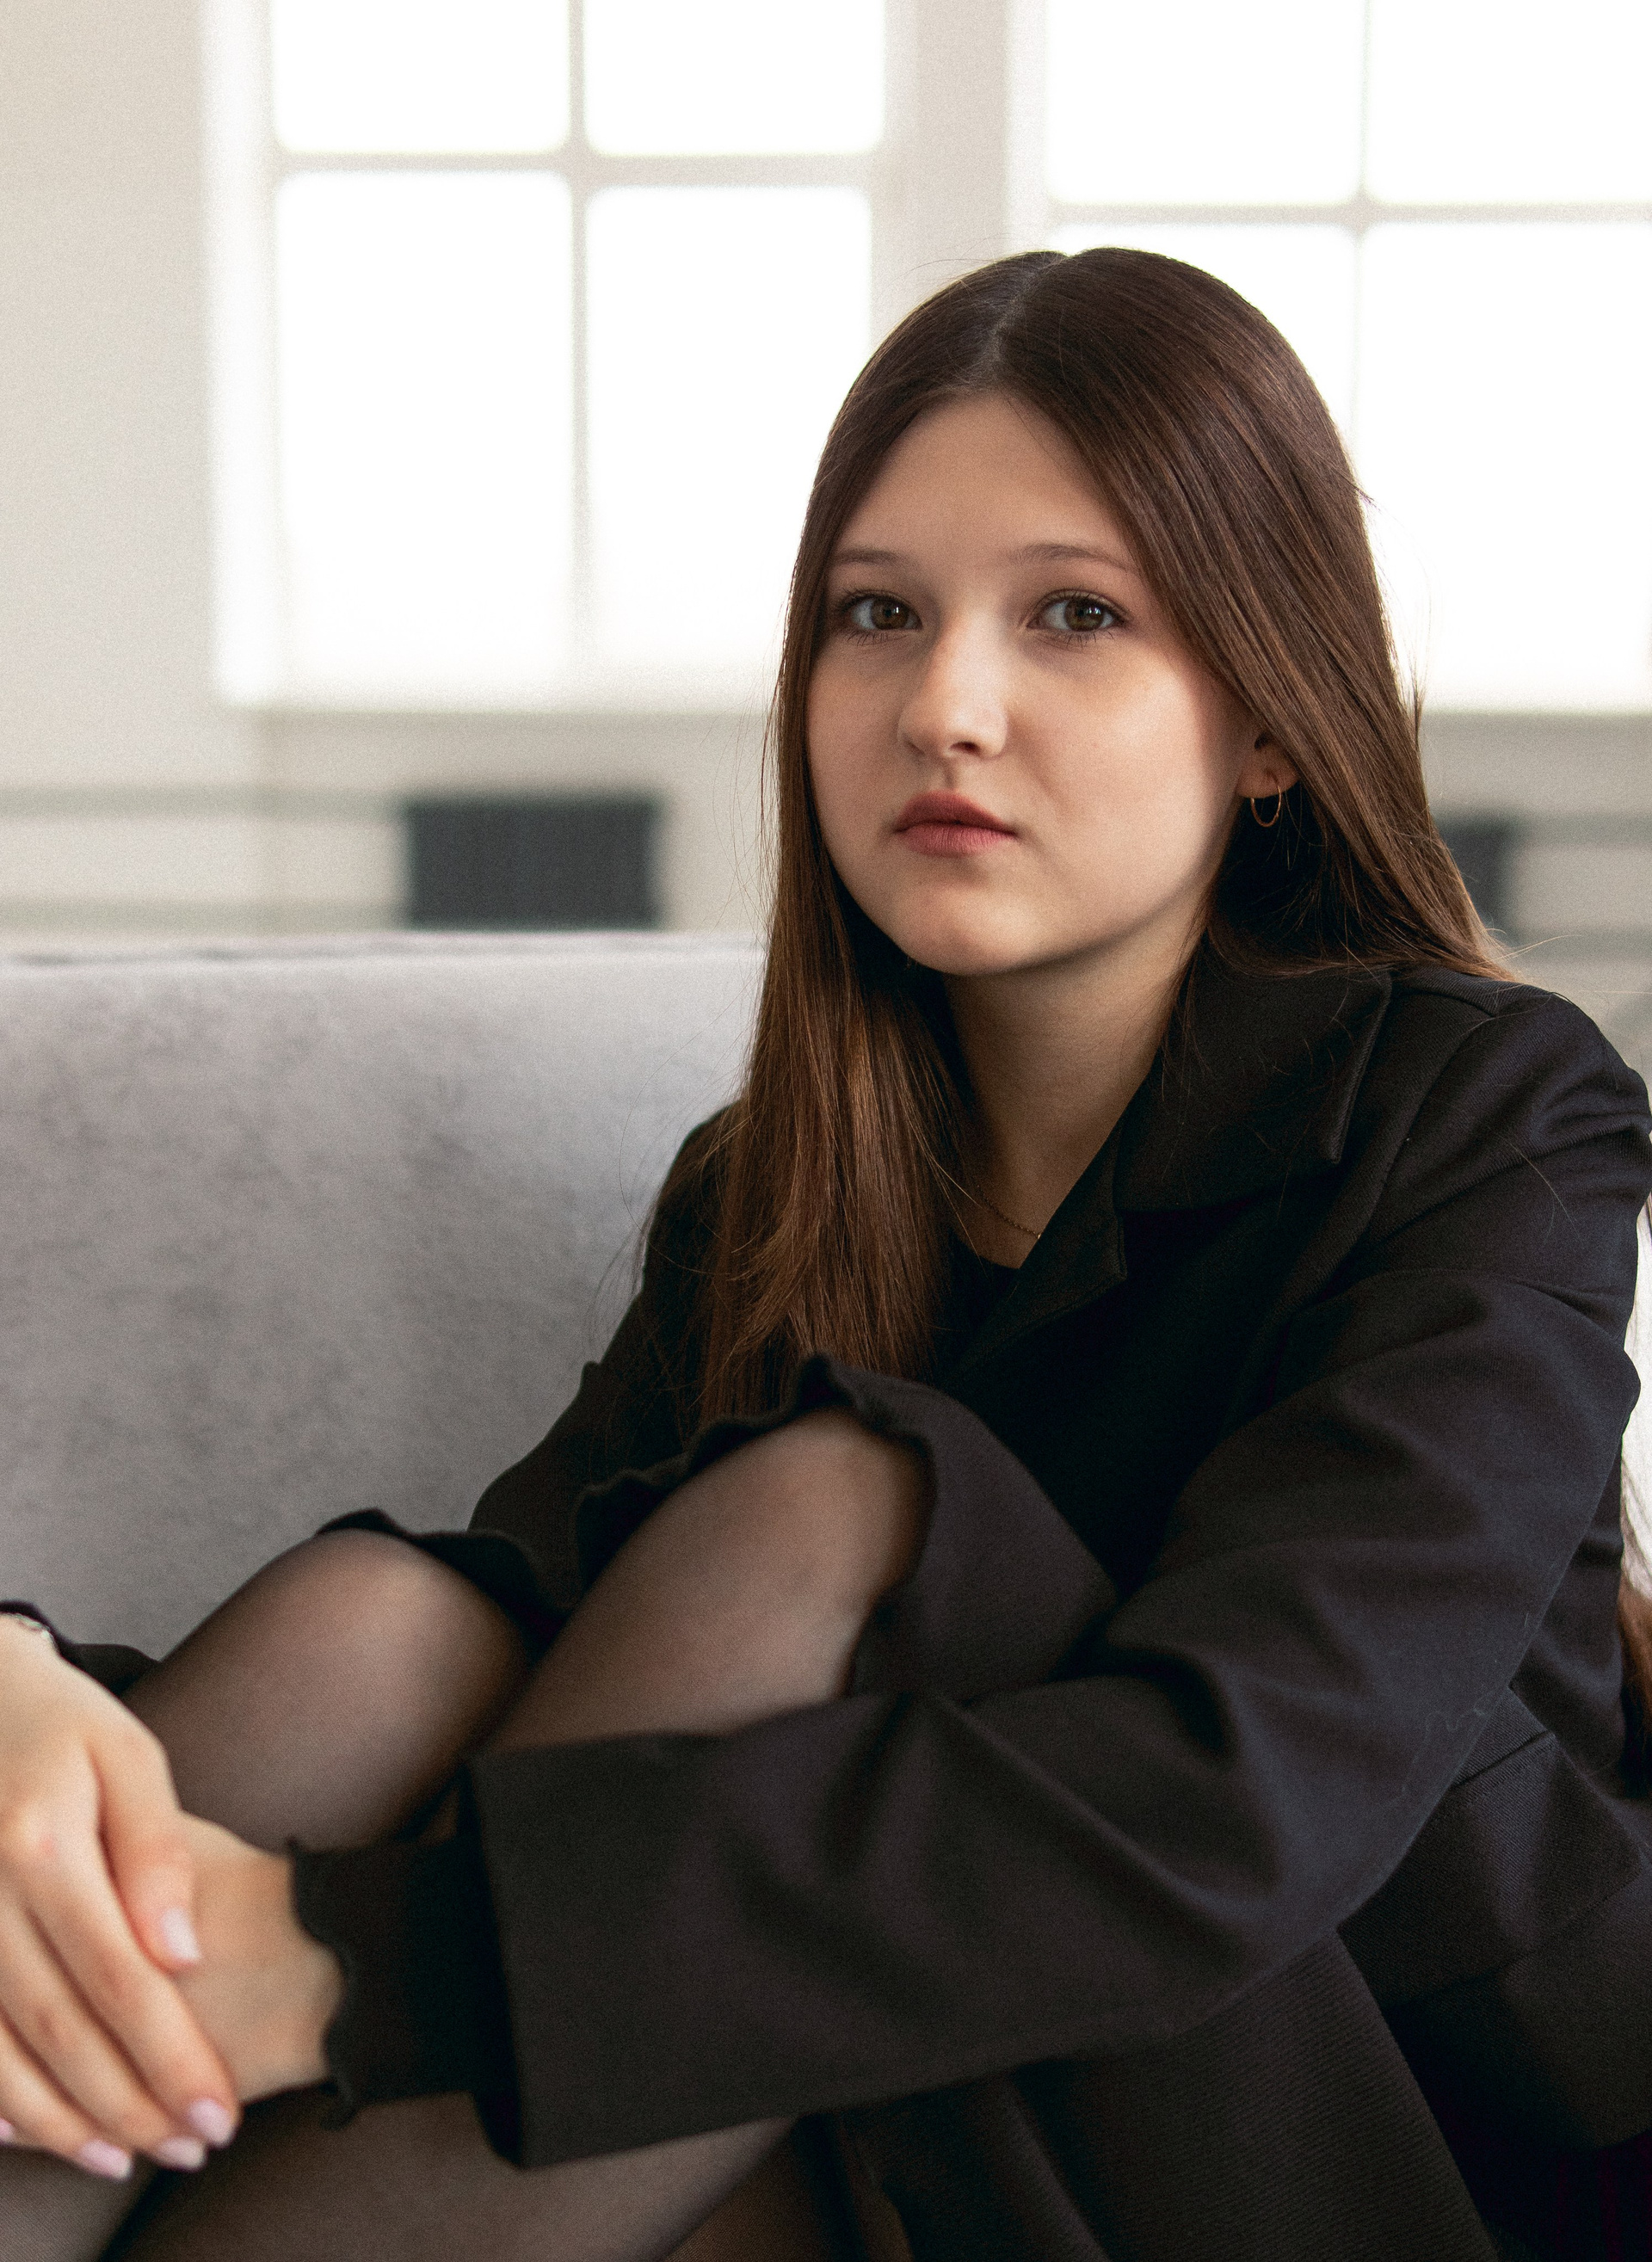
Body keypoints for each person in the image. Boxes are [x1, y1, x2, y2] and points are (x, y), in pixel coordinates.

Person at [2, 246, 1650, 2262]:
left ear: (1269, 726)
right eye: (878, 615)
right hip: (900, 2093)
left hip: (1362, 2143)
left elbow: (1234, 1799)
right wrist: (20, 1686)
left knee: (849, 1509)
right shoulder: (775, 1186)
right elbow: (507, 1634)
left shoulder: (1489, 1118)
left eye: (1075, 614)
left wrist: (340, 1967)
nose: (945, 706)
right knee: (397, 1628)